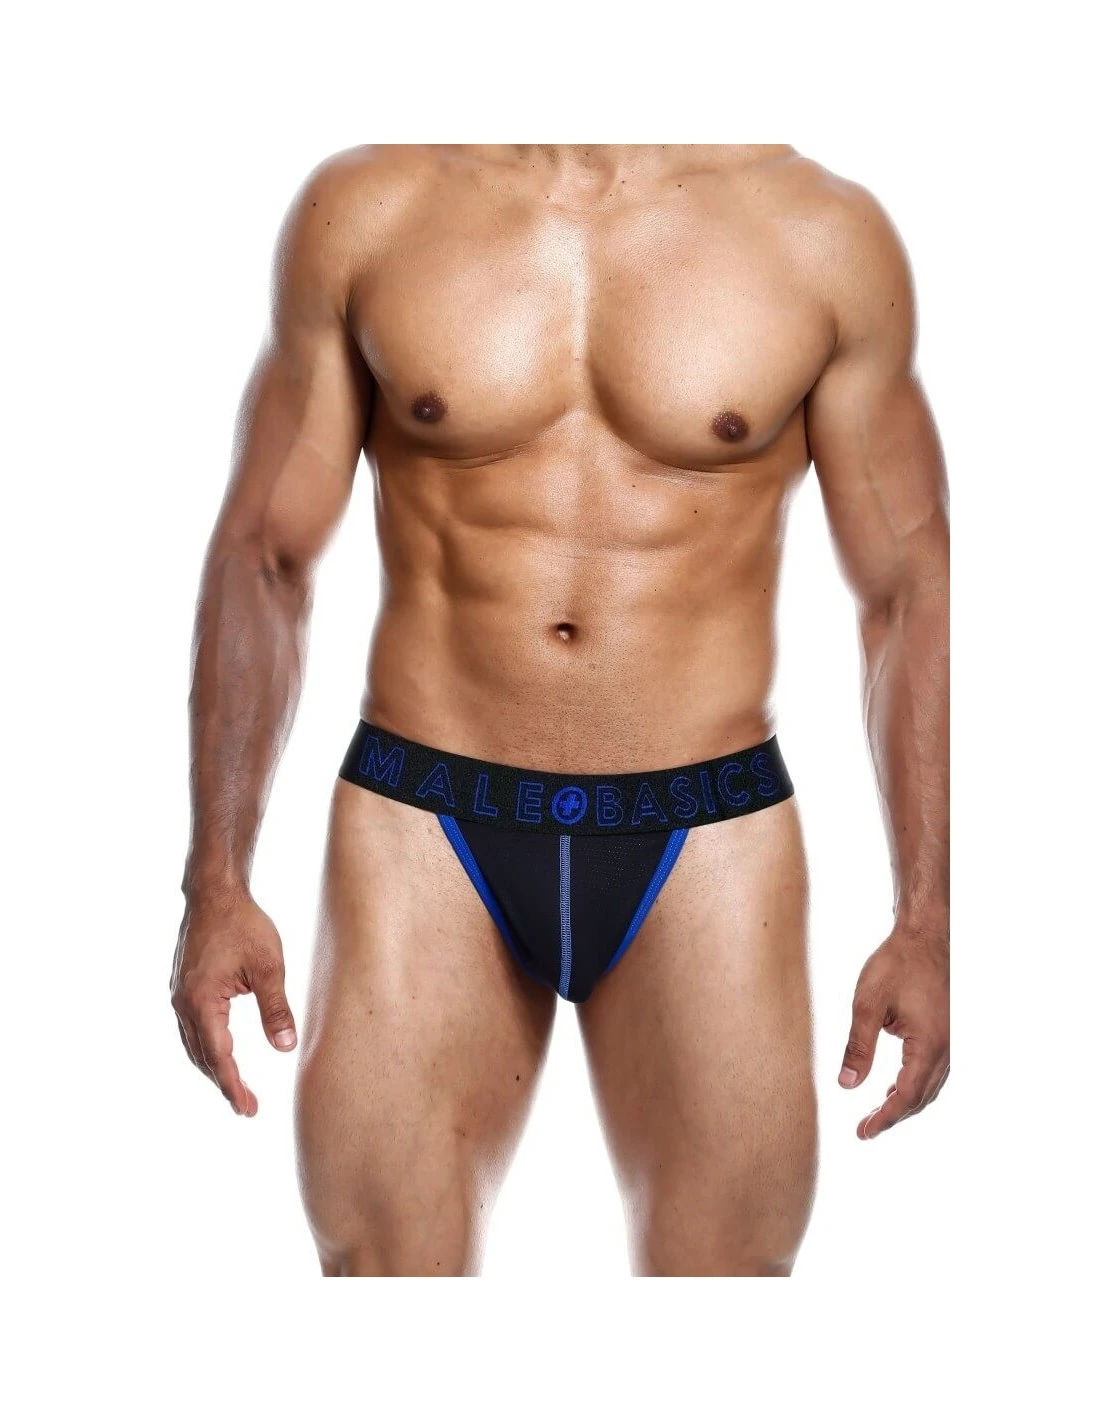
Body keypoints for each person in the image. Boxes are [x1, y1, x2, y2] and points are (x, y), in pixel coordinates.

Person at [171, 145, 949, 1276]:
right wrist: (216, 881)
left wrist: (927, 919)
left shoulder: (820, 235)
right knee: (384, 1291)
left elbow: (907, 592)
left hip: (708, 833)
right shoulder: (373, 207)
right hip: (423, 816)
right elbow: (263, 555)